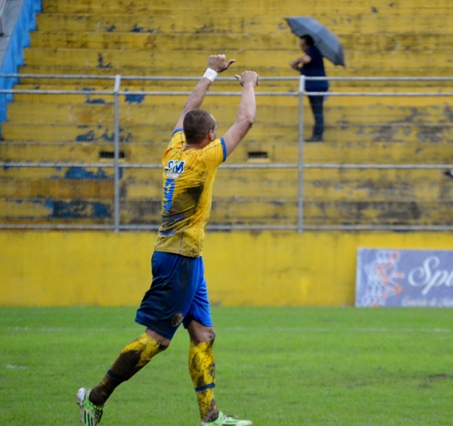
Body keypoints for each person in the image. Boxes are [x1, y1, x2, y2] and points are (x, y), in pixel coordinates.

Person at [75, 54, 258, 426]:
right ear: (208, 137)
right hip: (178, 258)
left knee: (203, 334)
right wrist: (249, 83)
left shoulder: (174, 150)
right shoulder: (204, 159)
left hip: (187, 256)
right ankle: (94, 398)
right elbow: (246, 120)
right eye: (214, 131)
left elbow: (189, 109)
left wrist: (210, 72)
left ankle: (211, 417)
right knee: (158, 339)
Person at [289, 34, 329, 142]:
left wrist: (297, 60)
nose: (301, 48)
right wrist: (297, 67)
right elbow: (306, 70)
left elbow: (306, 60)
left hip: (317, 87)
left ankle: (318, 136)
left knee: (318, 112)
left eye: (302, 45)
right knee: (316, 111)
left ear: (307, 45)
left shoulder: (313, 50)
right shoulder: (311, 53)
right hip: (313, 87)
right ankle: (317, 135)